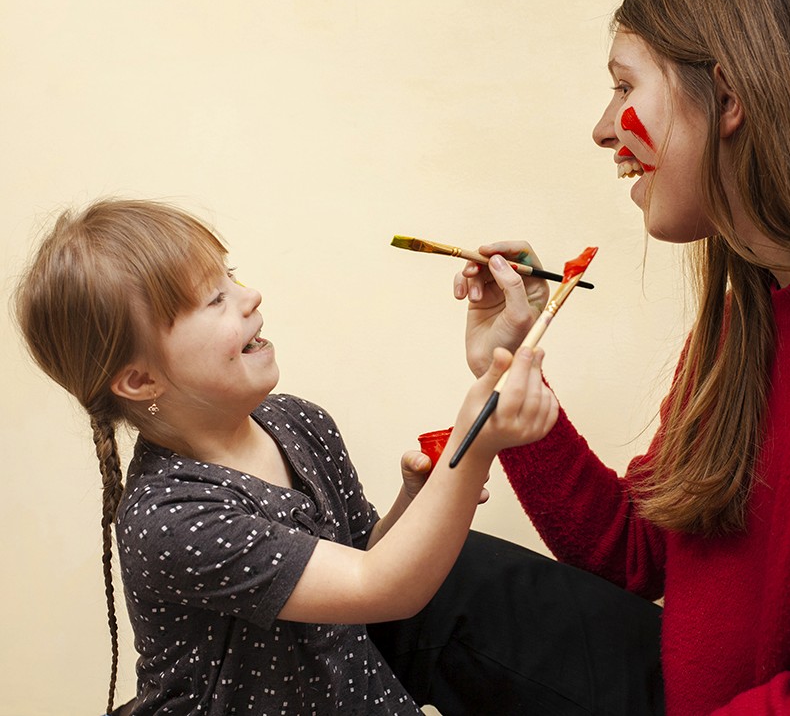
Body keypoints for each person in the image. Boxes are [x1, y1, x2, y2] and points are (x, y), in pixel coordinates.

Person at [453, 0, 790, 713]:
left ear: (728, 97)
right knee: (435, 583)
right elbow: (633, 550)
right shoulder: (746, 317)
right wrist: (510, 366)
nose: (600, 129)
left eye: (623, 87)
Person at [14, 199, 665, 716]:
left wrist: (417, 496)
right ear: (139, 380)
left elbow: (363, 564)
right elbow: (381, 586)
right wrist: (476, 449)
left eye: (231, 275)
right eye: (213, 299)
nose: (250, 295)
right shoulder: (174, 519)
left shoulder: (298, 422)